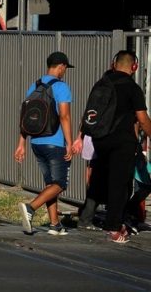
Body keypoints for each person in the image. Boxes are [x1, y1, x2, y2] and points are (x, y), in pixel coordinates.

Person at [79, 51, 151, 243]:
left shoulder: (102, 83)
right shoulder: (133, 88)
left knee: (102, 178)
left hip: (100, 139)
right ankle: (114, 228)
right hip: (122, 142)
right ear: (134, 67)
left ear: (113, 64)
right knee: (119, 184)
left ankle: (92, 216)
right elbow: (142, 119)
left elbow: (89, 113)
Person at [15, 52, 76, 236]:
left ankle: (54, 224)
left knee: (50, 184)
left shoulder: (34, 85)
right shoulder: (61, 87)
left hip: (36, 141)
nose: (65, 71)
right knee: (59, 184)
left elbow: (25, 116)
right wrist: (69, 143)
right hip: (54, 142)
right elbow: (64, 116)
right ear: (61, 66)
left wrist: (21, 143)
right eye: (65, 68)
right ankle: (30, 208)